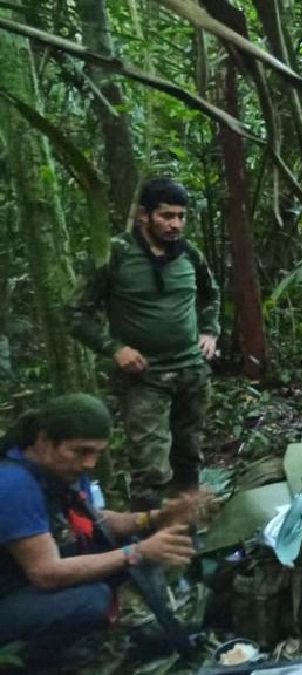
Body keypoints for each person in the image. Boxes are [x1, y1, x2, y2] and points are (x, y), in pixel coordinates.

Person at [0, 394, 204, 661]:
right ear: (44, 441)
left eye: (97, 452)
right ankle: (38, 661)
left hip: (33, 580)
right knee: (91, 600)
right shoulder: (13, 484)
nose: (90, 464)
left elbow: (93, 520)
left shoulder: (60, 470)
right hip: (12, 595)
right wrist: (137, 552)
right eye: (81, 451)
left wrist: (155, 517)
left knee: (135, 542)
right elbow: (45, 573)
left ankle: (156, 622)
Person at [68, 177, 219, 507]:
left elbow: (211, 296)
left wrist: (209, 331)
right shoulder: (115, 255)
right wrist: (115, 349)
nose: (175, 224)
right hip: (144, 377)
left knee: (189, 456)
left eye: (180, 216)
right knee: (150, 469)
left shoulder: (190, 255)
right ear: (143, 215)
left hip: (191, 372)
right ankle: (150, 546)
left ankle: (187, 535)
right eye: (166, 216)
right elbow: (77, 314)